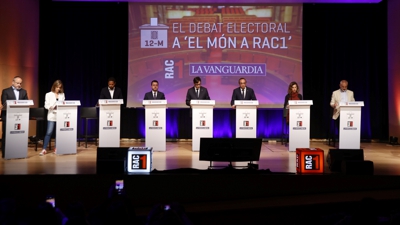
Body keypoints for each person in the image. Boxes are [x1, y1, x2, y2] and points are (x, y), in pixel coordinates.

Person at [1, 76, 29, 158]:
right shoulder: (5, 91)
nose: (19, 85)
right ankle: (5, 154)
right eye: (17, 83)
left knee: (19, 135)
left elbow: (26, 103)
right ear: (13, 82)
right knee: (6, 135)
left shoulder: (24, 92)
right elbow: (4, 103)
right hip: (8, 116)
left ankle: (19, 153)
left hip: (20, 117)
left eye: (20, 83)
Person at [40, 80, 65, 156]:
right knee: (49, 132)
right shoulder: (48, 94)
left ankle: (56, 148)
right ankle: (44, 149)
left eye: (60, 87)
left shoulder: (62, 94)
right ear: (54, 86)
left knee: (58, 133)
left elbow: (63, 103)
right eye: (57, 87)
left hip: (60, 115)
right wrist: (50, 107)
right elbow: (46, 105)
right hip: (51, 115)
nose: (58, 89)